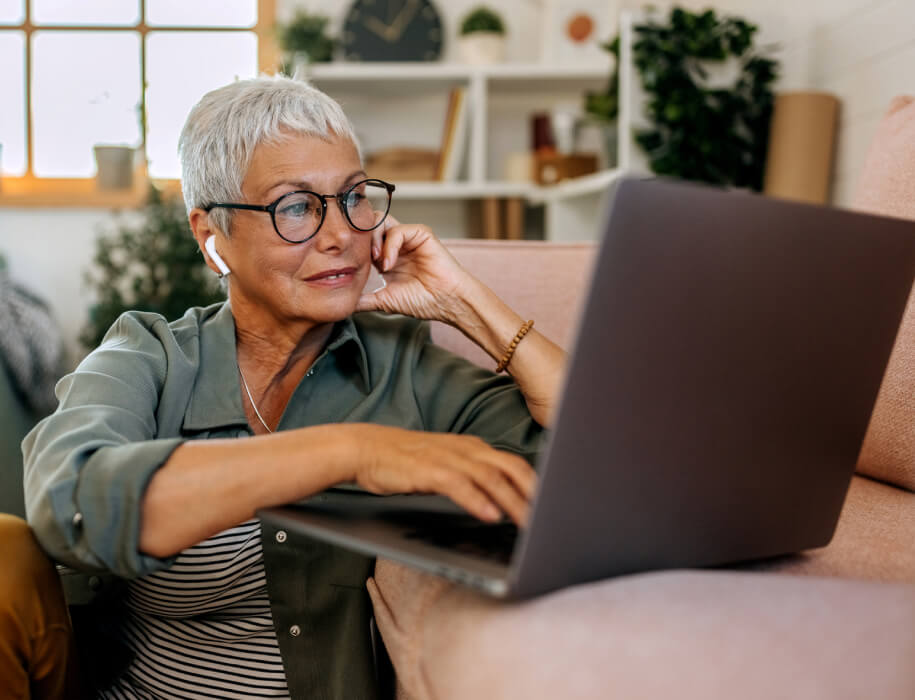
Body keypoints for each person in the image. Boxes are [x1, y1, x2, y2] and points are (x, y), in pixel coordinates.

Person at [18, 75, 564, 699]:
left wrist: (470, 306)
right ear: (211, 235)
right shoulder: (151, 358)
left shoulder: (403, 367)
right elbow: (74, 503)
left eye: (354, 197)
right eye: (296, 207)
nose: (339, 235)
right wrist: (353, 452)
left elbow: (597, 469)